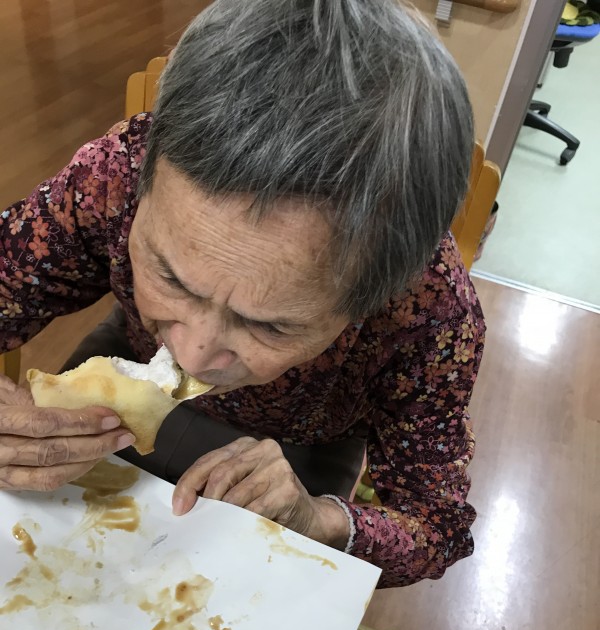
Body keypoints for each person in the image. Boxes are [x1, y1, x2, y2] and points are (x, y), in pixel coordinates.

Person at [0, 0, 485, 589]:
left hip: (306, 443)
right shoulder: (112, 177)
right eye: (171, 278)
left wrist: (320, 520)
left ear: (374, 297)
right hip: (123, 359)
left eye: (270, 325)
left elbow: (436, 524)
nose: (193, 354)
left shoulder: (429, 314)